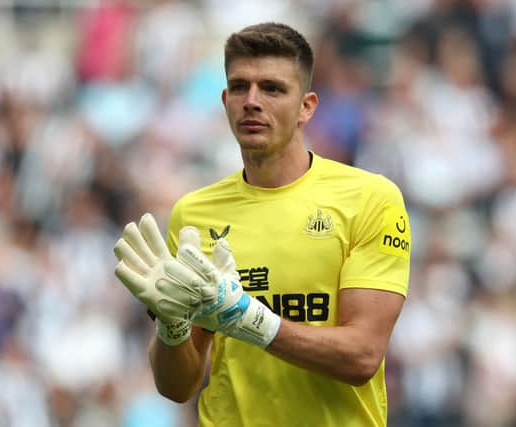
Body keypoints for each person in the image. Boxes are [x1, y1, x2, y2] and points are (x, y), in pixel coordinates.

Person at [114, 22, 411, 427]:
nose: (252, 101)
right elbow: (177, 387)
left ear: (307, 106)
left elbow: (361, 355)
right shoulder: (193, 215)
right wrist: (171, 325)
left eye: (272, 88)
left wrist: (247, 317)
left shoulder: (370, 199)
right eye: (240, 87)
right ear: (224, 100)